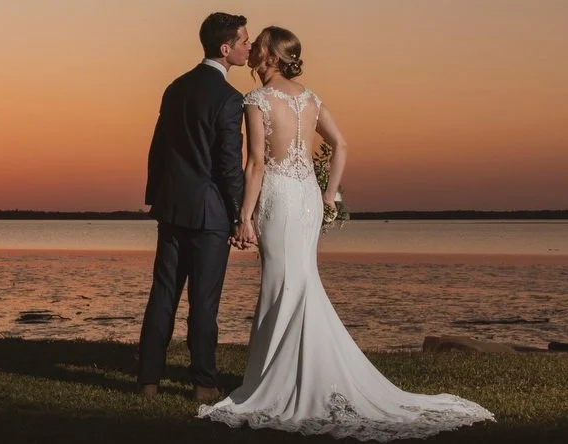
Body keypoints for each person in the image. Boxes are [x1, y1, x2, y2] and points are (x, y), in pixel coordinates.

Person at [198, 26, 493, 440]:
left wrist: (244, 216)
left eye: (259, 46)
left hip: (279, 200)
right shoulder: (311, 99)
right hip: (306, 200)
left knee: (283, 285)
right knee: (299, 283)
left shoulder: (258, 101)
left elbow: (256, 165)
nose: (255, 53)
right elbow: (342, 145)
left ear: (270, 57)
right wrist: (330, 196)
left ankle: (278, 382)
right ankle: (294, 372)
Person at [137, 12, 251, 403]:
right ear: (226, 49)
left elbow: (157, 147)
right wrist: (240, 215)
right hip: (210, 215)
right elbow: (228, 165)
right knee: (204, 303)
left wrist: (157, 196)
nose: (248, 48)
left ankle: (148, 381)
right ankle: (204, 384)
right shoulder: (229, 99)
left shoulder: (175, 87)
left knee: (163, 295)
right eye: (244, 42)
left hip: (171, 207)